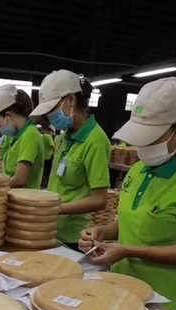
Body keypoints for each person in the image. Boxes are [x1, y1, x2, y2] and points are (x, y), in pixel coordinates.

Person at [78, 77, 176, 310]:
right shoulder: (139, 169)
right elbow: (133, 221)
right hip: (118, 286)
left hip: (159, 300)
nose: (142, 144)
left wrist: (129, 250)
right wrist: (102, 232)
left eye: (152, 136)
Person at [30, 70, 110, 243]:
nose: (49, 116)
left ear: (70, 99)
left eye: (52, 109)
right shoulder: (65, 136)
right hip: (51, 228)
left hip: (73, 237)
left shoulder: (95, 140)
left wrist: (56, 208)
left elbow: (100, 199)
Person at [0, 84, 44, 188]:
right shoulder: (16, 137)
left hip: (24, 201)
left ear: (8, 116)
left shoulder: (30, 135)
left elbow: (19, 179)